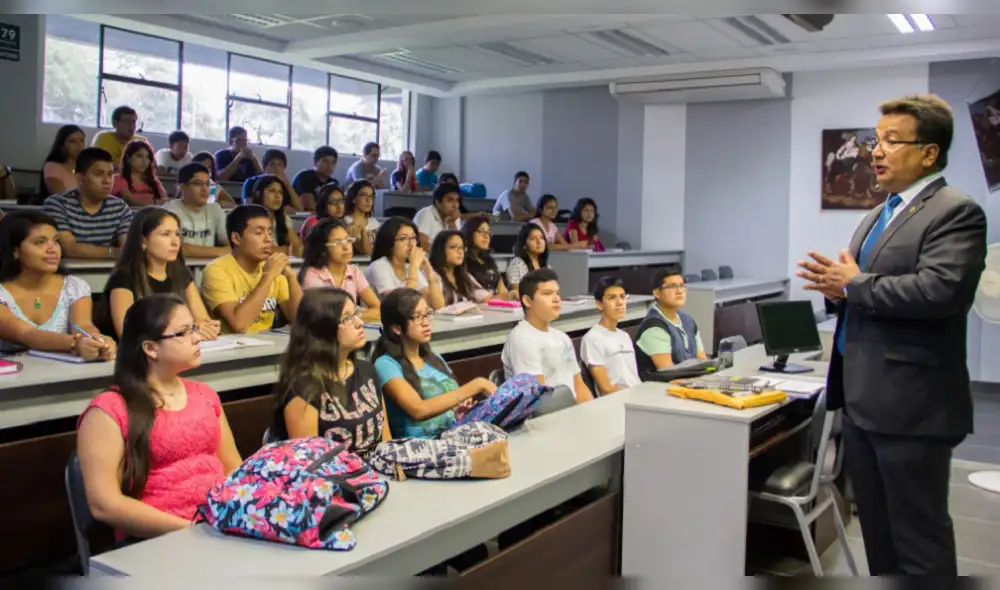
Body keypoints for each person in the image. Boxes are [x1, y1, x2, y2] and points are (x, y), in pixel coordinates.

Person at [795, 94, 987, 576]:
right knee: (877, 534)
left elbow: (940, 291)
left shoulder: (954, 210)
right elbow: (863, 293)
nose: (875, 152)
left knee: (918, 539)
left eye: (891, 141)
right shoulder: (876, 215)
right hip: (862, 399)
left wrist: (853, 284)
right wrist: (836, 291)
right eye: (875, 141)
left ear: (929, 152)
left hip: (911, 405)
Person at [76, 294, 242, 541]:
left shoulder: (205, 395)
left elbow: (234, 471)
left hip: (217, 527)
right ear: (150, 348)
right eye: (184, 332)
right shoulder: (108, 411)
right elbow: (104, 504)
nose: (197, 338)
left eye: (194, 328)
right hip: (157, 539)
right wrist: (193, 531)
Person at [270, 288, 388, 456]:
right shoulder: (303, 389)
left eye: (356, 313)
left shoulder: (367, 370)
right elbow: (309, 464)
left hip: (378, 472)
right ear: (323, 327)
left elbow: (386, 441)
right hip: (332, 479)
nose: (359, 323)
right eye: (347, 318)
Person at [373, 288, 496, 438]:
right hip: (421, 449)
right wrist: (477, 385)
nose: (426, 323)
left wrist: (457, 415)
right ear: (397, 328)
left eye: (427, 314)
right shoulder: (386, 364)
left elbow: (450, 404)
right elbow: (418, 410)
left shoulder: (434, 358)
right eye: (417, 317)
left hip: (453, 438)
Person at [0, 211, 114, 358]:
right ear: (15, 250)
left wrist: (97, 341)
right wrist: (75, 343)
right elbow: (28, 335)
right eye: (40, 242)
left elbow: (83, 325)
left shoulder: (74, 286)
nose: (52, 249)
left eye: (56, 241)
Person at [106, 208, 221, 341]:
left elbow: (201, 318)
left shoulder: (180, 273)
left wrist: (206, 328)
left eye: (177, 234)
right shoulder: (123, 279)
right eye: (165, 234)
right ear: (143, 241)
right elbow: (127, 334)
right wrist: (189, 329)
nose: (175, 242)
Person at [200, 205, 303, 334]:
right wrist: (268, 277)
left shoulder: (271, 267)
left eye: (270, 233)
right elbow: (240, 325)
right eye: (259, 233)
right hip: (232, 350)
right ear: (236, 238)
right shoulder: (216, 271)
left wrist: (292, 278)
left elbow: (299, 320)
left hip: (266, 344)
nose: (268, 240)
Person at [501, 268, 593, 403]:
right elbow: (539, 400)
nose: (557, 299)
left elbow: (579, 385)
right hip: (544, 418)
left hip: (572, 413)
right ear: (527, 301)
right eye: (547, 293)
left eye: (558, 293)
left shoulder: (562, 337)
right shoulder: (522, 339)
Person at [43, 148, 133, 260]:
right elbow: (69, 249)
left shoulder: (120, 207)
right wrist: (114, 252)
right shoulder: (57, 204)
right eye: (98, 174)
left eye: (110, 174)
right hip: (68, 273)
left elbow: (129, 247)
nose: (107, 180)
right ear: (80, 179)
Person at [299, 218, 380, 322]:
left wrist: (355, 316)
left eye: (348, 240)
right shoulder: (312, 275)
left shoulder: (354, 271)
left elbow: (378, 308)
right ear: (323, 249)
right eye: (338, 243)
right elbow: (324, 317)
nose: (346, 247)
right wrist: (355, 315)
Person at [634, 269, 705, 374]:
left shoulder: (687, 319)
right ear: (657, 293)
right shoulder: (654, 326)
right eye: (672, 287)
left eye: (682, 285)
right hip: (661, 387)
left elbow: (702, 360)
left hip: (690, 381)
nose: (680, 291)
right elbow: (669, 374)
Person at [366, 217, 445, 309]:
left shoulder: (409, 267)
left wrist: (429, 271)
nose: (411, 243)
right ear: (389, 242)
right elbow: (401, 305)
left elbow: (438, 305)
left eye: (413, 238)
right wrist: (414, 266)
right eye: (404, 238)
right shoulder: (379, 266)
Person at [580, 277, 641, 394]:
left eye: (622, 297)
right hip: (617, 401)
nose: (620, 303)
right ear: (599, 304)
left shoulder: (624, 336)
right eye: (612, 298)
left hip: (637, 395)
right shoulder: (593, 338)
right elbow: (606, 389)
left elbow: (633, 379)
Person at [162, 163, 231, 259]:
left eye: (207, 184)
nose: (204, 189)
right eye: (198, 184)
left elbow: (232, 246)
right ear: (183, 186)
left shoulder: (215, 209)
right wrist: (220, 252)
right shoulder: (170, 210)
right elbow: (179, 248)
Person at [429, 230, 491, 305]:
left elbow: (487, 298)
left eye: (462, 248)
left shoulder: (464, 276)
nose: (460, 251)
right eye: (453, 247)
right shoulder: (431, 275)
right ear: (440, 250)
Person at [249, 174, 302, 257]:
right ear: (258, 194)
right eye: (272, 191)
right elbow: (259, 250)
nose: (277, 196)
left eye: (280, 192)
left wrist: (277, 250)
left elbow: (298, 249)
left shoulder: (283, 218)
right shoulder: (249, 218)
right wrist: (285, 249)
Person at [461, 217, 512, 300]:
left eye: (488, 232)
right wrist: (504, 296)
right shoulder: (463, 261)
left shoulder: (489, 260)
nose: (486, 236)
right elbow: (485, 299)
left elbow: (503, 291)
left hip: (498, 307)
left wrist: (506, 296)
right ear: (469, 232)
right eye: (480, 231)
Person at [112, 140, 168, 206]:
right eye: (139, 156)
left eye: (147, 157)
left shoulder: (153, 180)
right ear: (128, 158)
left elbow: (165, 199)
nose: (144, 161)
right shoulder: (117, 179)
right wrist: (156, 202)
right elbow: (132, 201)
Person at [40, 124, 86, 200]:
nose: (79, 145)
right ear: (62, 146)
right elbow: (61, 196)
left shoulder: (87, 168)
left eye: (82, 141)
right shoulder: (52, 167)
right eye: (72, 142)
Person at [91, 105, 145, 170]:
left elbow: (152, 168)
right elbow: (95, 165)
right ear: (115, 123)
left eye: (133, 122)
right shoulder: (102, 138)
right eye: (126, 121)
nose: (131, 125)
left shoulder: (141, 141)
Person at [505, 223, 548, 298]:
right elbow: (517, 294)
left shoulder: (546, 266)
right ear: (524, 245)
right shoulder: (517, 264)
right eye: (533, 238)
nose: (539, 241)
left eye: (541, 238)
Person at [414, 182, 461, 250]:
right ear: (438, 202)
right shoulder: (425, 214)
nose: (455, 205)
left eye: (457, 200)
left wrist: (452, 222)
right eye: (450, 200)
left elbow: (458, 245)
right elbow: (422, 246)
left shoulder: (454, 217)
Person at [292, 146, 339, 213]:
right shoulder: (305, 177)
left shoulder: (333, 182)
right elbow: (309, 205)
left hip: (323, 217)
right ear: (315, 162)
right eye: (325, 161)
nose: (329, 166)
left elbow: (338, 206)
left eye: (333, 162)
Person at [343, 180, 379, 256]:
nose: (368, 200)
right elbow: (367, 253)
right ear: (353, 199)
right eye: (363, 195)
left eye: (371, 196)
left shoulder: (374, 222)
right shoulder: (347, 222)